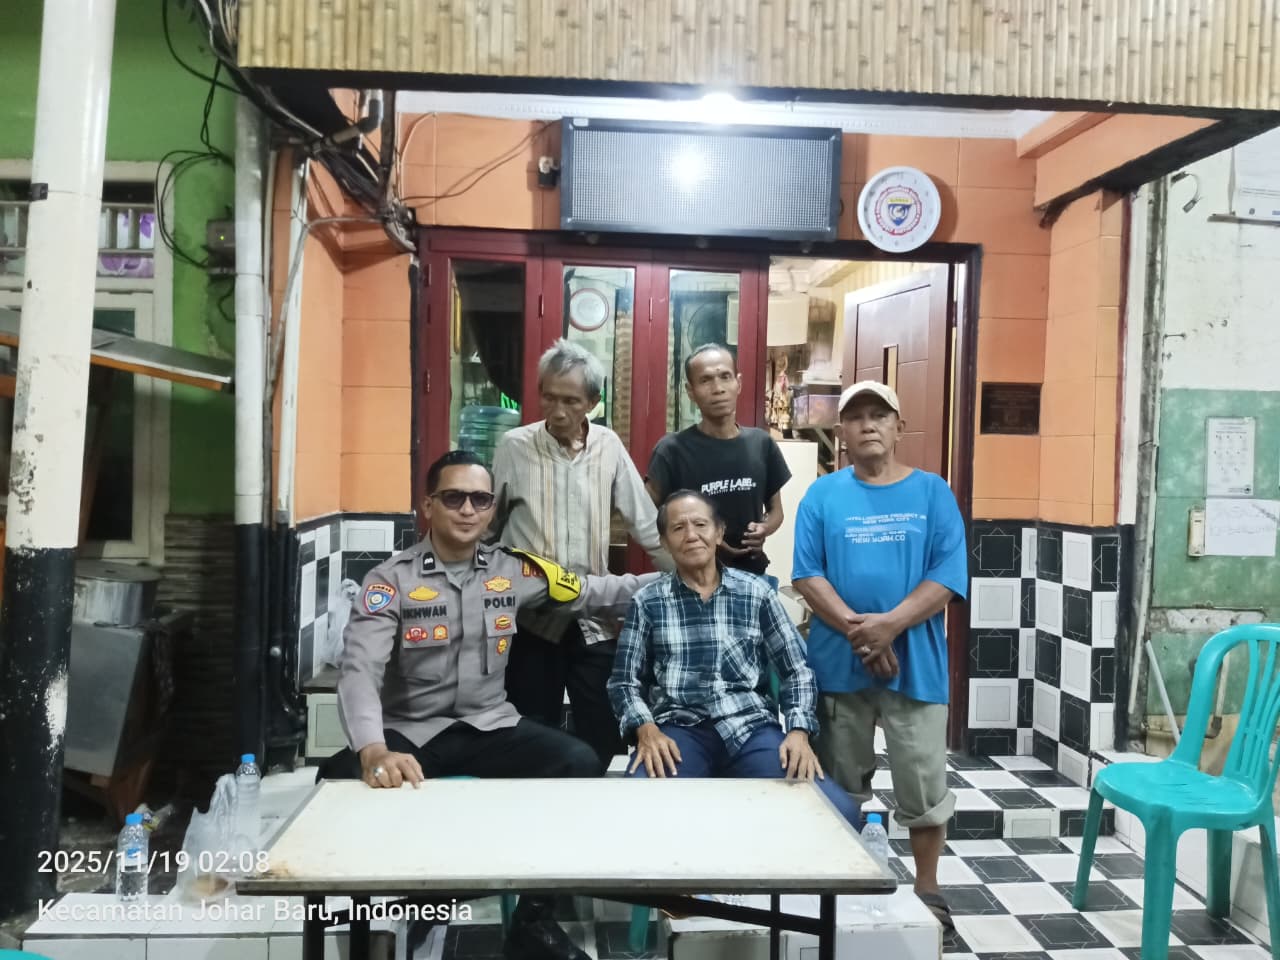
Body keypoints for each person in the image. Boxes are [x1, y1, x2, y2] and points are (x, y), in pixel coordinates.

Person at [325, 450, 656, 960]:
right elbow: (359, 672)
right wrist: (373, 750)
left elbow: (592, 592)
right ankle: (379, 920)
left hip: (490, 726)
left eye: (479, 500)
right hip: (412, 733)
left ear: (491, 510)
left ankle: (533, 920)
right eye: (453, 497)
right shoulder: (390, 581)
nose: (467, 509)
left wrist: (678, 576)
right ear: (428, 506)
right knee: (338, 779)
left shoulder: (513, 570)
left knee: (579, 761)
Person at [791, 381, 968, 930]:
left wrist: (889, 626)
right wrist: (861, 633)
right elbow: (806, 575)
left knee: (924, 782)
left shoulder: (933, 493)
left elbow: (948, 576)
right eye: (856, 417)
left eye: (879, 415)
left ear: (898, 427)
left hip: (916, 665)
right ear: (841, 432)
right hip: (838, 663)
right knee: (840, 784)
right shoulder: (822, 495)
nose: (868, 425)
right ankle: (842, 885)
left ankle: (928, 889)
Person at [606, 490, 861, 828]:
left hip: (750, 728)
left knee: (837, 814)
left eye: (700, 524)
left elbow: (797, 670)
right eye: (678, 528)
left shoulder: (756, 592)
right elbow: (624, 682)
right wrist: (645, 729)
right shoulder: (647, 602)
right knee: (637, 811)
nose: (691, 535)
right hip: (678, 730)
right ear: (665, 542)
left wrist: (798, 730)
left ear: (719, 533)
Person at [493, 339, 670, 769]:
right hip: (531, 622)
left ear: (592, 401)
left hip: (594, 618)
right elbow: (488, 528)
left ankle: (592, 807)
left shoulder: (608, 446)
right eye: (549, 397)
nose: (558, 411)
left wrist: (691, 576)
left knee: (604, 734)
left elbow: (645, 523)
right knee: (531, 735)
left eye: (571, 401)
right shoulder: (514, 446)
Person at [646, 343, 791, 584]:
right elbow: (646, 518)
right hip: (691, 581)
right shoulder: (671, 451)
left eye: (725, 377)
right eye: (705, 380)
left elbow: (776, 511)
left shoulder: (761, 443)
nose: (718, 388)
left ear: (738, 383)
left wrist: (764, 529)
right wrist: (694, 539)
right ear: (690, 391)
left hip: (752, 578)